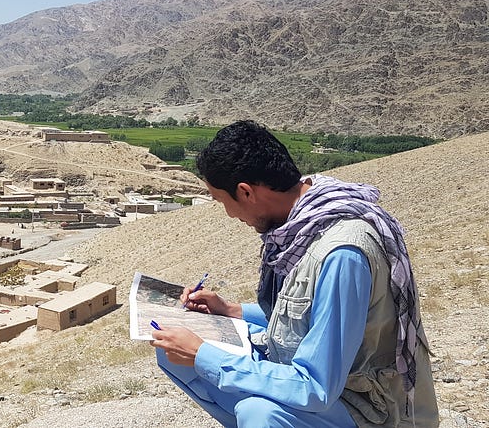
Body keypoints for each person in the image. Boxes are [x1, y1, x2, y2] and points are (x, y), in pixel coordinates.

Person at [150, 120, 438, 427]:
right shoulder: (301, 227)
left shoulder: (341, 255)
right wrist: (229, 310)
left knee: (259, 414)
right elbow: (307, 322)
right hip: (326, 386)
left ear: (246, 192)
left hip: (364, 405)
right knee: (173, 355)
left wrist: (204, 354)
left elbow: (316, 387)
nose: (230, 215)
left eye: (224, 202)